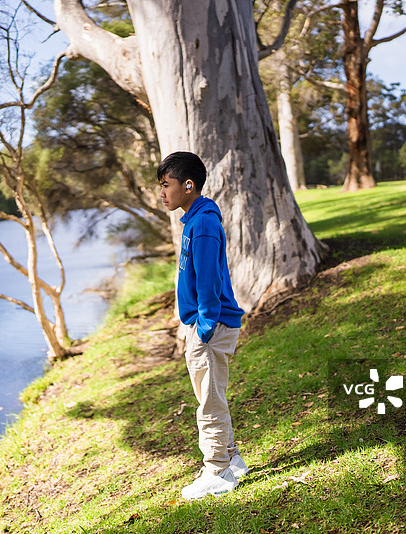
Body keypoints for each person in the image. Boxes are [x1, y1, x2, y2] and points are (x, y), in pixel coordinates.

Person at [157, 151, 247, 500]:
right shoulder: (195, 220)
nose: (162, 193)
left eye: (166, 185)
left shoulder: (204, 224)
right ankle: (233, 459)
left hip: (211, 325)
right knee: (213, 397)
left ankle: (218, 470)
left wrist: (203, 327)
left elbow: (208, 282)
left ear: (188, 185)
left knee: (208, 403)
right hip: (204, 323)